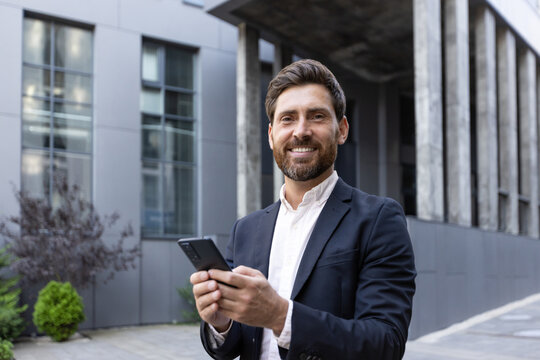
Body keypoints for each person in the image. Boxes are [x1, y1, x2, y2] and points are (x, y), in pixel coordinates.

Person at [190, 59, 416, 360]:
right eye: (287, 118)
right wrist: (221, 322)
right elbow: (233, 347)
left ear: (342, 129)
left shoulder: (379, 220)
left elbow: (385, 344)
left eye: (317, 116)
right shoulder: (245, 229)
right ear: (271, 136)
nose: (301, 131)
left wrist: (281, 316)